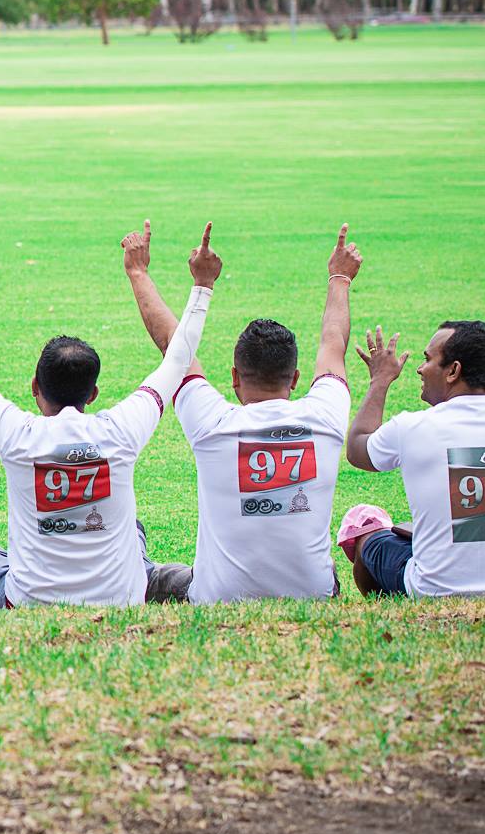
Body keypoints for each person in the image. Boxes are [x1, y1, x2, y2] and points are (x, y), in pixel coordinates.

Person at [0, 217, 213, 609]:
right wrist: (199, 285)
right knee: (130, 529)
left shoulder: (15, 433)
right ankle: (173, 581)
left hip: (27, 601)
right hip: (122, 597)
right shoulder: (122, 429)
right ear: (93, 393)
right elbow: (179, 357)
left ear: (34, 388)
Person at [124, 222, 362, 602]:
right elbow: (333, 342)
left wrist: (140, 272)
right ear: (296, 378)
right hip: (313, 593)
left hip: (216, 595)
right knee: (327, 568)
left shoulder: (212, 424)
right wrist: (339, 277)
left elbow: (175, 347)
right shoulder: (326, 415)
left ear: (234, 378)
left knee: (157, 577)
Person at [340, 318, 485, 599]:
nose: (420, 369)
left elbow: (357, 448)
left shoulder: (411, 428)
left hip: (434, 591)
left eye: (428, 359)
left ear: (453, 371)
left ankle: (387, 606)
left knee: (367, 533)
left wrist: (380, 381)